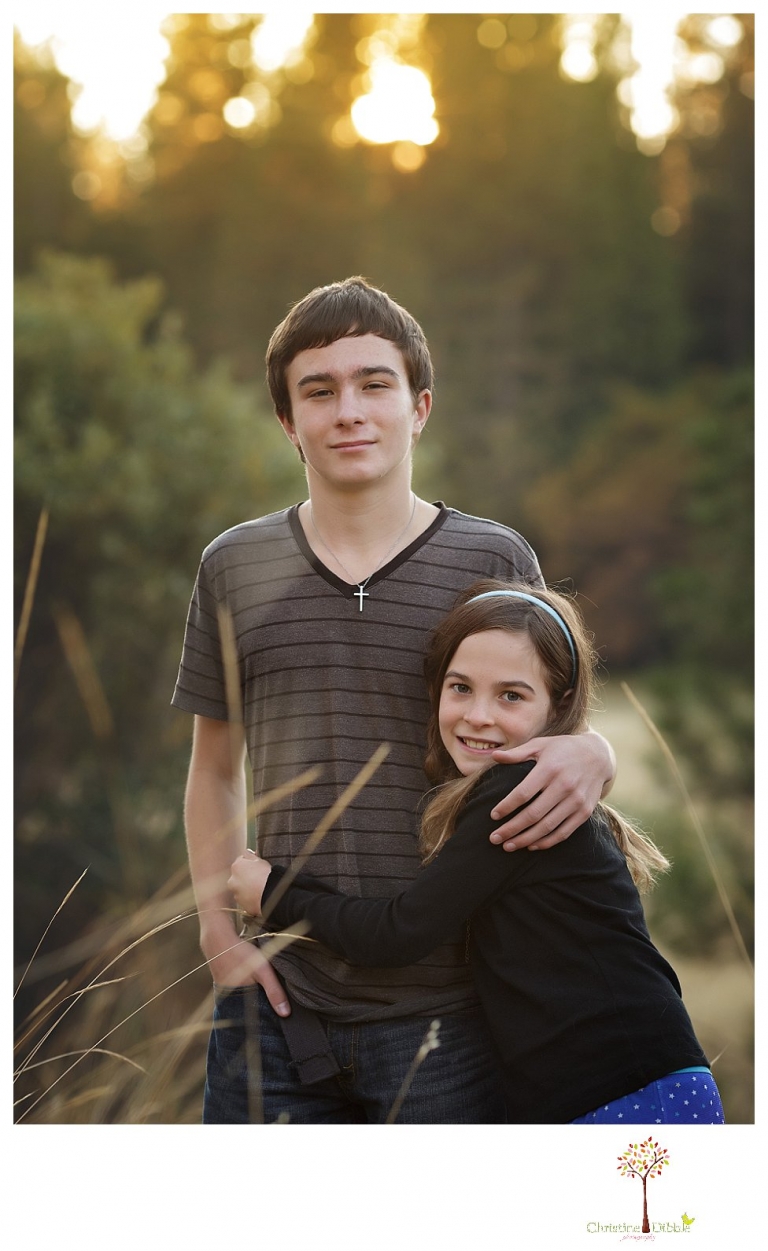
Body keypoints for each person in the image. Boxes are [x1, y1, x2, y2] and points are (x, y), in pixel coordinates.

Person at [172, 276, 616, 1124]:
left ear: (418, 408)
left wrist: (599, 751)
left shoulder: (493, 558)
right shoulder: (234, 565)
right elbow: (214, 769)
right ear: (287, 421)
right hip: (276, 1006)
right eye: (320, 390)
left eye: (374, 384)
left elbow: (550, 751)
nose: (349, 410)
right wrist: (218, 934)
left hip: (456, 1013)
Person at [229, 580, 725, 1125]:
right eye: (460, 687)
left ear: (558, 705)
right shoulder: (526, 786)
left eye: (511, 695)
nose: (478, 715)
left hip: (627, 1090)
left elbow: (397, 935)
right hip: (636, 1082)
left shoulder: (516, 791)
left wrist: (272, 891)